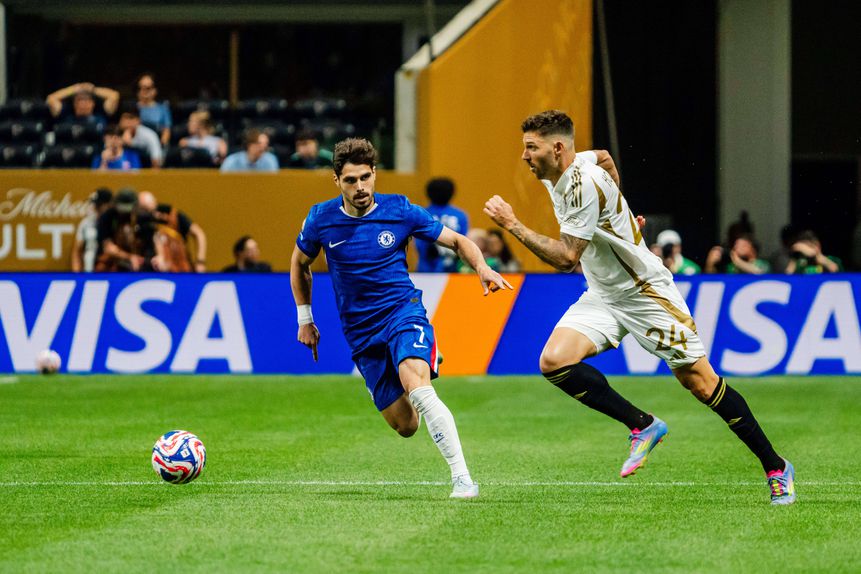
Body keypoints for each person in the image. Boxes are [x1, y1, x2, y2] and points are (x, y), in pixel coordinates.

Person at [483, 110, 794, 505]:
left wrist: (512, 224)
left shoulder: (580, 185)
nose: (524, 156)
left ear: (557, 148)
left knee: (699, 383)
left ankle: (776, 467)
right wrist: (620, 212)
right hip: (604, 292)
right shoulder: (566, 167)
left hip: (644, 292)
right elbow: (607, 156)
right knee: (554, 361)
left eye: (532, 148)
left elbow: (565, 259)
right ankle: (642, 426)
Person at [291, 137, 512, 499]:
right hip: (361, 333)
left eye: (365, 177)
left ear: (375, 174)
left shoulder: (401, 210)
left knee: (419, 386)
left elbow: (458, 241)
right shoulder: (321, 219)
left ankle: (462, 478)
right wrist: (305, 318)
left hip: (401, 311)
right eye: (350, 180)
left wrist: (482, 266)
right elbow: (299, 264)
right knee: (406, 425)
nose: (360, 187)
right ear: (337, 181)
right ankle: (414, 361)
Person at [138, 191, 207, 272]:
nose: (147, 214)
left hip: (179, 268)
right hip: (151, 270)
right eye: (143, 209)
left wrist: (200, 262)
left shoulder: (174, 216)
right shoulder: (141, 222)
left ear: (155, 203)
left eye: (147, 209)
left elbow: (199, 233)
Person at [415, 177, 469, 272]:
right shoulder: (460, 215)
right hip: (453, 271)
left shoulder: (421, 213)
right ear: (452, 193)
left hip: (426, 270)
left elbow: (420, 246)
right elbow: (463, 243)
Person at [95, 188, 151, 272]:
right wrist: (129, 257)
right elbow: (108, 248)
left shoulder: (144, 218)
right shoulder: (107, 217)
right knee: (102, 265)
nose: (125, 213)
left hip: (139, 258)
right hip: (115, 259)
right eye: (122, 210)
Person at [71, 188, 113, 272]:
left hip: (110, 274)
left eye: (99, 205)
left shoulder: (114, 222)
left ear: (109, 205)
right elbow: (77, 251)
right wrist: (76, 274)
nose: (95, 207)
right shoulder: (87, 223)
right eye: (95, 204)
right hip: (89, 271)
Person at [46, 82, 119, 126]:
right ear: (74, 103)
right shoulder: (66, 117)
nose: (83, 103)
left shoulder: (101, 117)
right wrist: (74, 89)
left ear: (93, 103)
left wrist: (92, 89)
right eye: (80, 100)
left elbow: (114, 96)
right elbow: (51, 99)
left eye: (87, 100)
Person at [135, 73, 172, 146]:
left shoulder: (163, 108)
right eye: (140, 88)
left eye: (147, 88)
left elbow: (167, 131)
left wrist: (161, 144)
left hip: (156, 144)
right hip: (137, 144)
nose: (143, 91)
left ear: (155, 90)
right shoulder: (133, 107)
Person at [704, 234, 770, 274]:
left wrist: (736, 260)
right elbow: (713, 279)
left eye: (741, 245)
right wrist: (710, 264)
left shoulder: (763, 264)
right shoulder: (732, 267)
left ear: (751, 248)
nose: (735, 248)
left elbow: (759, 272)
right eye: (735, 245)